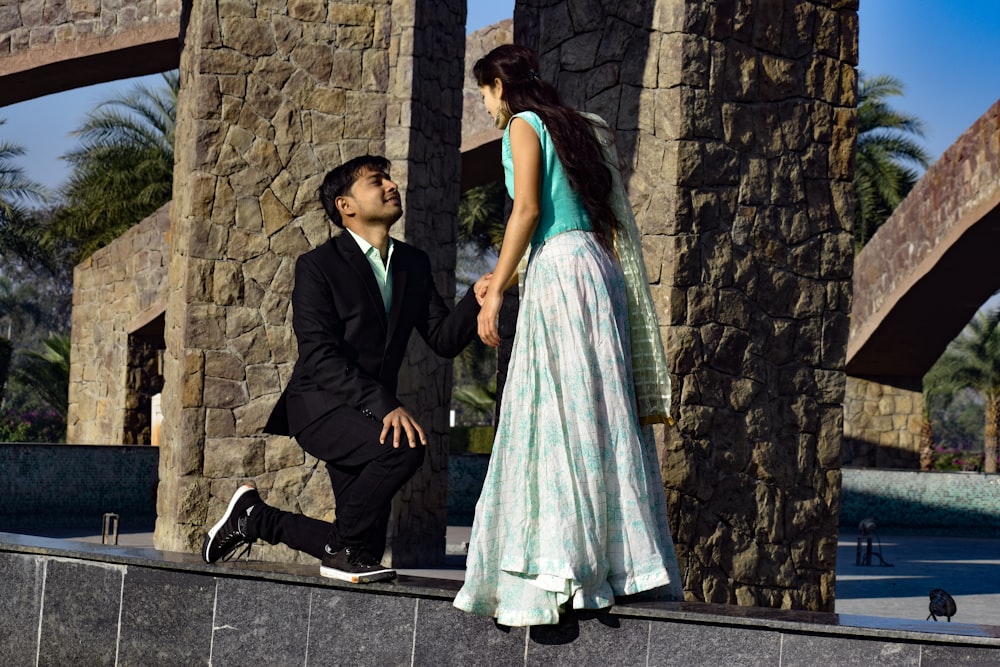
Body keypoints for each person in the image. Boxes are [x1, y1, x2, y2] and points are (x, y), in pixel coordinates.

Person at [453, 45, 683, 626]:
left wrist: (501, 289)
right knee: (594, 407)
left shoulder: (524, 126)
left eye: (483, 92)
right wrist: (504, 272)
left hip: (559, 271)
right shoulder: (580, 128)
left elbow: (528, 210)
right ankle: (616, 562)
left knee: (552, 411)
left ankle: (563, 566)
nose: (483, 105)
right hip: (592, 268)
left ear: (500, 88)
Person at [202, 155, 488, 583]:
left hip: (368, 411)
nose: (391, 185)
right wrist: (386, 404)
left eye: (389, 178)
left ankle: (256, 518)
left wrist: (476, 297)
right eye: (377, 181)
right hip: (320, 405)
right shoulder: (318, 267)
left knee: (360, 552)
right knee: (403, 448)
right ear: (346, 206)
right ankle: (270, 522)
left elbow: (444, 339)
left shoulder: (413, 264)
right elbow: (320, 355)